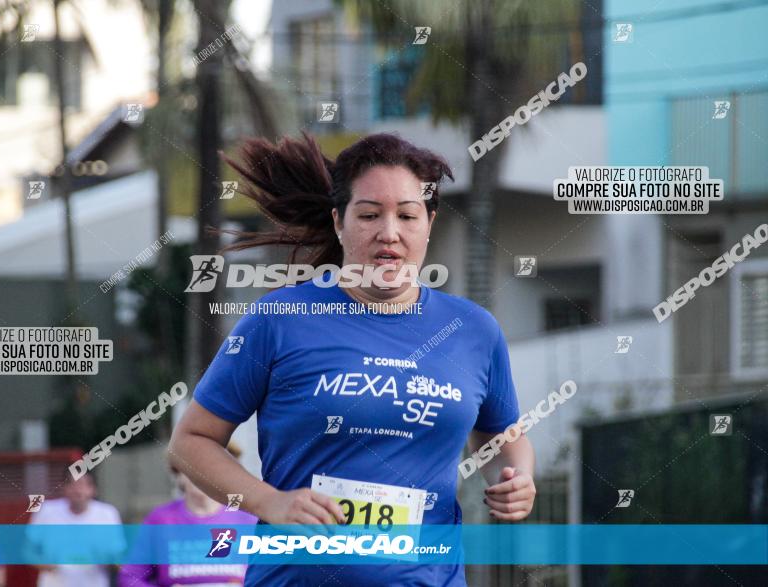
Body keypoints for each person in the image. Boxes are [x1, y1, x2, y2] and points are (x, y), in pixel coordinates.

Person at [170, 132, 536, 586]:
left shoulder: (474, 331)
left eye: (407, 214)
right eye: (368, 215)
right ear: (339, 222)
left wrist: (517, 479)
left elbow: (503, 437)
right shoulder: (280, 319)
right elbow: (190, 442)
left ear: (429, 222)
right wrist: (270, 503)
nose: (389, 233)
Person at [117, 441, 257, 586]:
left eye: (212, 466)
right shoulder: (160, 519)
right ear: (177, 474)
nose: (202, 474)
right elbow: (130, 578)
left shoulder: (248, 519)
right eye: (194, 466)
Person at [27, 472, 124, 587]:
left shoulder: (108, 514)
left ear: (93, 489)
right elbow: (28, 551)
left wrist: (107, 560)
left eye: (82, 484)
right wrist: (44, 564)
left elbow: (118, 558)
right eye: (73, 484)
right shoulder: (47, 511)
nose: (77, 490)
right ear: (64, 487)